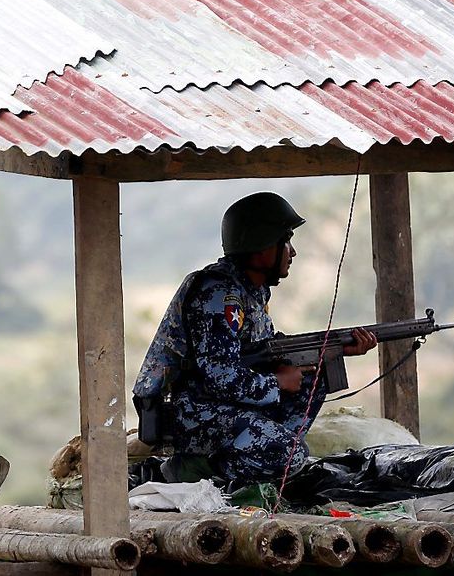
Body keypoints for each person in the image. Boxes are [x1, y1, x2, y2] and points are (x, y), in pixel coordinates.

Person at [133, 192, 377, 485]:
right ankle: (195, 469)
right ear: (261, 247)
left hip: (221, 406)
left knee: (315, 378)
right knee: (291, 456)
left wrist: (333, 350)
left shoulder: (249, 290)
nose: (292, 251)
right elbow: (220, 377)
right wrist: (277, 383)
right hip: (193, 413)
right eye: (285, 241)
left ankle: (261, 457)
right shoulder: (220, 295)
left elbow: (259, 353)